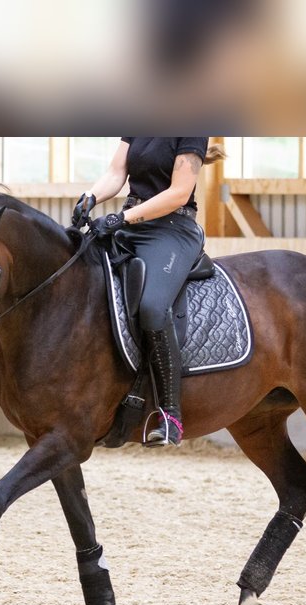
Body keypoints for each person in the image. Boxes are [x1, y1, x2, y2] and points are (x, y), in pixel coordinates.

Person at [72, 138, 221, 446]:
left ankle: (170, 415)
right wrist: (90, 197)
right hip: (131, 227)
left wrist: (120, 217)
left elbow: (179, 194)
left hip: (171, 230)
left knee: (153, 307)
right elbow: (116, 173)